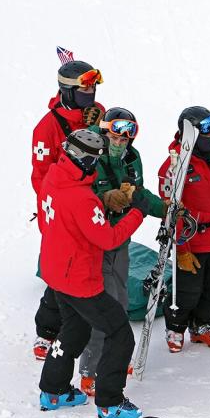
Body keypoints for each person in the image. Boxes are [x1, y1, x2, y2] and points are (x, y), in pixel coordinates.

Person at [36, 129, 155, 418]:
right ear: (88, 161)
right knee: (120, 333)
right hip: (80, 279)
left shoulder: (53, 177)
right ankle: (110, 401)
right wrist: (137, 213)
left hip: (57, 271)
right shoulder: (81, 198)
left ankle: (53, 391)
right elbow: (109, 239)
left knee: (74, 329)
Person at [76, 108, 167, 396]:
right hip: (93, 243)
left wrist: (163, 209)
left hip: (120, 240)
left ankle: (113, 361)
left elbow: (138, 193)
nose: (122, 138)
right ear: (105, 129)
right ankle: (90, 370)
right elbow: (77, 197)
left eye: (129, 132)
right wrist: (104, 199)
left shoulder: (131, 157)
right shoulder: (90, 155)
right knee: (106, 307)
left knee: (123, 302)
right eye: (117, 131)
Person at [30, 59, 105, 360]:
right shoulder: (47, 128)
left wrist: (97, 125)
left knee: (86, 267)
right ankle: (46, 331)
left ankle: (84, 324)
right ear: (69, 90)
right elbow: (40, 176)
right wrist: (57, 208)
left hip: (88, 205)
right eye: (86, 87)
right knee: (61, 273)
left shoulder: (92, 115)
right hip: (59, 209)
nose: (92, 91)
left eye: (94, 86)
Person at [157, 106, 210, 353]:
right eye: (206, 131)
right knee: (188, 289)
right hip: (192, 238)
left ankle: (202, 326)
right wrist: (182, 248)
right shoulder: (174, 165)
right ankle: (176, 327)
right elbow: (172, 211)